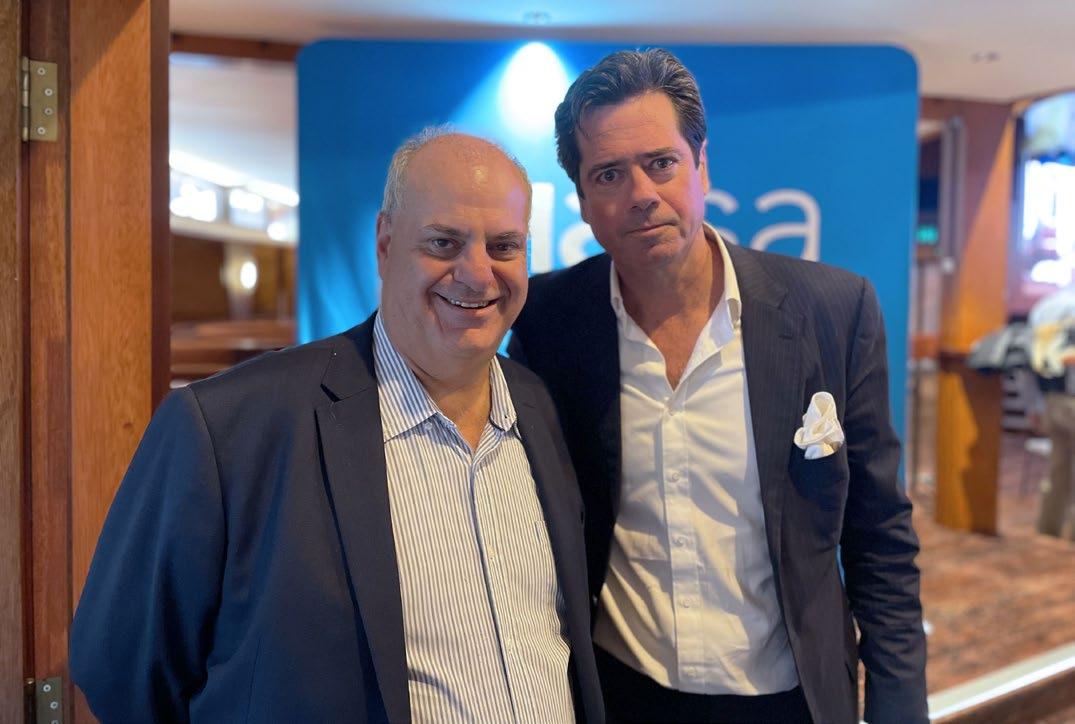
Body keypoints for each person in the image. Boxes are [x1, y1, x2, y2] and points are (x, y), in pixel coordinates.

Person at [70, 129, 604, 723]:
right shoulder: (227, 429)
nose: (478, 274)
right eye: (444, 242)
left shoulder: (539, 407)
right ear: (385, 244)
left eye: (504, 246)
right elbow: (120, 671)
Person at [510, 49, 927, 724]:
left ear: (701, 165)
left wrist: (898, 709)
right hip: (624, 693)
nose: (640, 193)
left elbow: (879, 536)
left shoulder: (832, 310)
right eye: (608, 174)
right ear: (582, 202)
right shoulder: (548, 322)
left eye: (661, 163)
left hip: (790, 698)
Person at [1025, 282, 1075, 540]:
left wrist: (1033, 404)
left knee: (1058, 467)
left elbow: (1028, 360)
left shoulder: (1043, 308)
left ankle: (1048, 527)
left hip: (1051, 399)